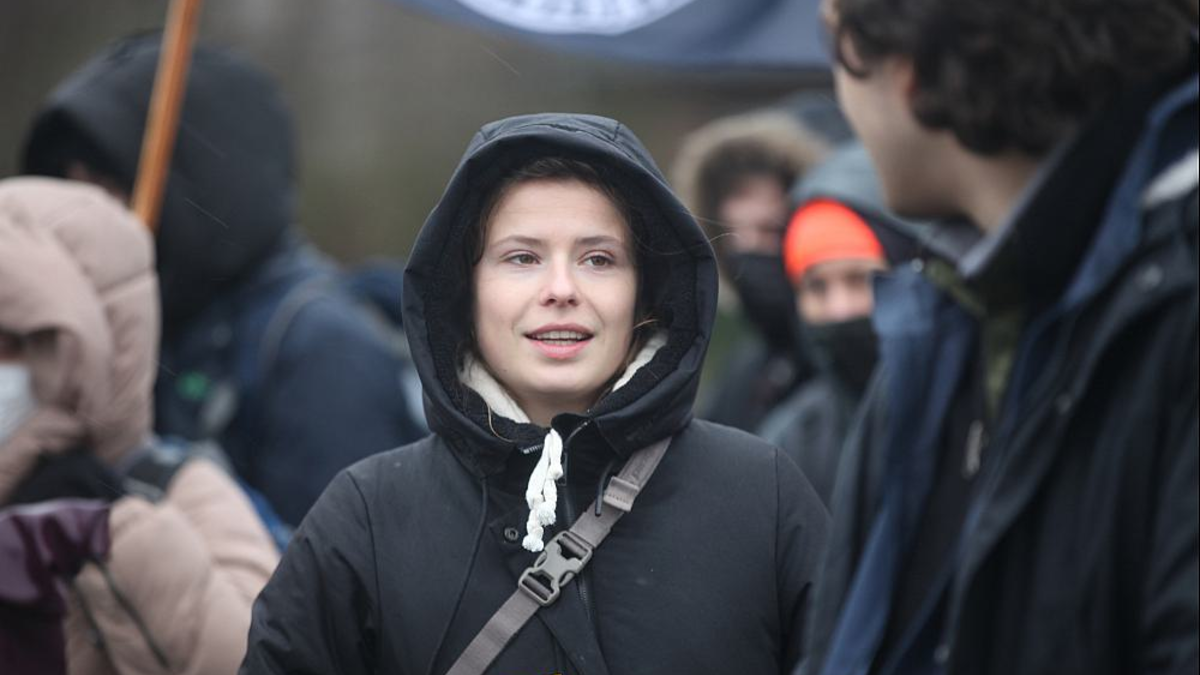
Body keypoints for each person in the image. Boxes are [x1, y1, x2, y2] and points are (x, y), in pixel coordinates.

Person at [240, 113, 830, 675]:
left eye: (598, 259)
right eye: (522, 257)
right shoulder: (368, 518)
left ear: (645, 293)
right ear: (464, 289)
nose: (561, 289)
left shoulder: (763, 497)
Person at [806, 1, 1198, 674]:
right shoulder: (941, 308)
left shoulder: (1172, 293)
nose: (839, 95)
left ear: (909, 71)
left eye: (835, 49)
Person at [20, 34, 426, 526]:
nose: (86, 214)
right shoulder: (151, 318)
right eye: (71, 186)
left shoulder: (322, 350)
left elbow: (340, 566)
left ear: (199, 183)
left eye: (108, 188)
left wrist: (142, 503)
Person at [0, 177, 279, 674]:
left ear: (91, 345)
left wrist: (109, 534)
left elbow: (259, 656)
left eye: (11, 343)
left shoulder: (179, 491)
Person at [758, 143, 902, 507]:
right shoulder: (790, 444)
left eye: (860, 279)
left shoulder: (968, 413)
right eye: (816, 287)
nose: (840, 309)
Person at [672, 107, 833, 432]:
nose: (748, 251)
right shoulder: (742, 374)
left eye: (769, 230)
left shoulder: (844, 364)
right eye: (731, 235)